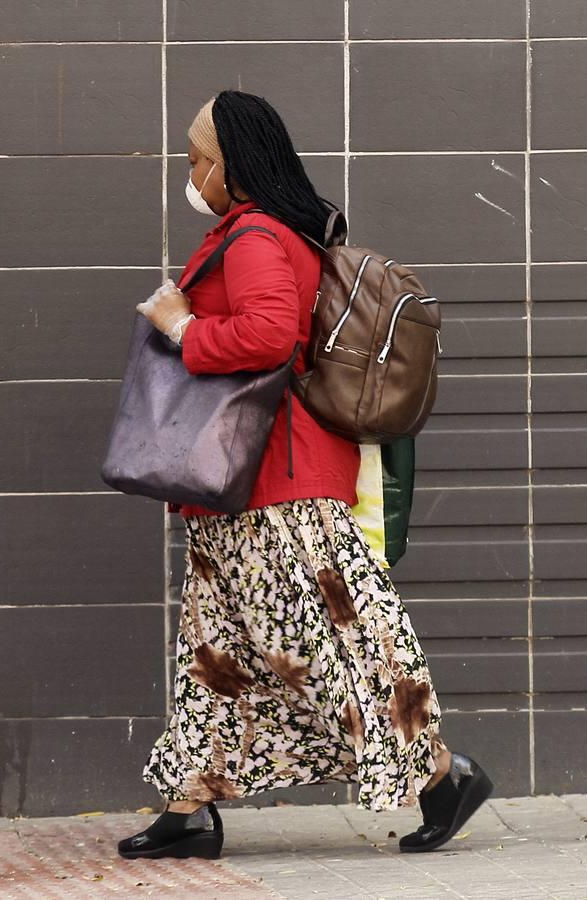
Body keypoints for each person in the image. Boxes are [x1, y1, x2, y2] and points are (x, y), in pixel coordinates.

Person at [117, 91, 492, 861]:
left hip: (274, 487)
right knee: (214, 653)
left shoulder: (256, 236)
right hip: (236, 488)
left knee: (327, 644)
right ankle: (189, 805)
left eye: (198, 159)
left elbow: (267, 338)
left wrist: (179, 326)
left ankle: (441, 778)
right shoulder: (249, 231)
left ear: (234, 164)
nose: (190, 172)